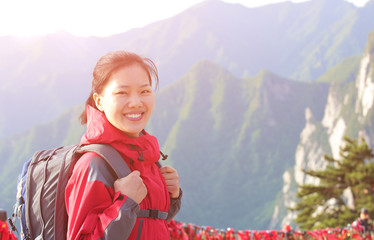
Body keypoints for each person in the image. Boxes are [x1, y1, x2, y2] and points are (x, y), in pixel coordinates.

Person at [65, 50, 182, 240]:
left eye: (144, 91)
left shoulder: (148, 158)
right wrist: (125, 203)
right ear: (99, 101)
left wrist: (172, 197)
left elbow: (147, 225)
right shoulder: (93, 165)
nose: (136, 102)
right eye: (122, 93)